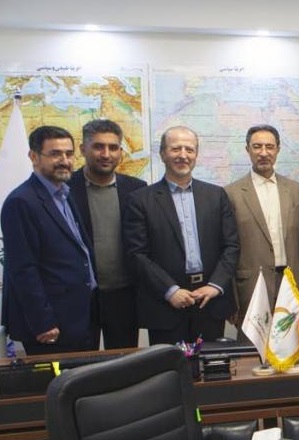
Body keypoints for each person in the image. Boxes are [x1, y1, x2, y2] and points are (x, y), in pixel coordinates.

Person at [124, 126, 239, 345]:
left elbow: (231, 246)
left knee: (211, 364)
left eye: (189, 149)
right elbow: (137, 254)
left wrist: (215, 285)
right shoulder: (140, 200)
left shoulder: (216, 195)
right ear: (162, 154)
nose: (183, 155)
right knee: (169, 365)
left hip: (209, 300)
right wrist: (170, 291)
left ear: (196, 154)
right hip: (165, 304)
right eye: (176, 149)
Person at [1, 126, 97, 354]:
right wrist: (42, 321)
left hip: (80, 314)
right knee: (55, 377)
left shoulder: (65, 193)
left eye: (69, 153)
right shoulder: (21, 202)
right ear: (34, 157)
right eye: (55, 154)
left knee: (83, 376)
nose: (64, 160)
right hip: (52, 324)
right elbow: (23, 269)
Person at [67, 119, 146, 349]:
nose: (106, 154)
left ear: (120, 151)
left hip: (124, 296)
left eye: (113, 147)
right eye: (98, 147)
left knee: (124, 362)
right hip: (81, 297)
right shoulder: (66, 189)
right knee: (80, 363)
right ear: (83, 149)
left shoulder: (137, 189)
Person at [225, 124, 299, 322]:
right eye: (257, 147)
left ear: (278, 149)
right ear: (247, 150)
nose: (263, 153)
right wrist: (231, 298)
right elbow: (228, 248)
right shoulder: (231, 193)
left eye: (269, 147)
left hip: (293, 284)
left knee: (293, 341)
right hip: (252, 286)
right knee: (253, 342)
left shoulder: (296, 190)